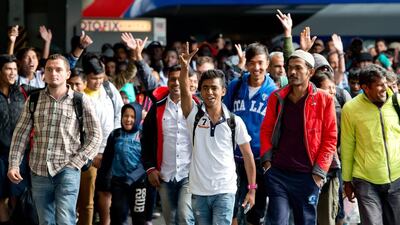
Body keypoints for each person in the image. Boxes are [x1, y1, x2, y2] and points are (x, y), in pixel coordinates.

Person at [7, 54, 102, 225]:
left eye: (58, 69)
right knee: (45, 221)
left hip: (67, 168)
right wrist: (14, 164)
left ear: (67, 73)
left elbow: (96, 134)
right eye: (49, 69)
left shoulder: (81, 100)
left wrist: (77, 162)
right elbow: (20, 134)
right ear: (44, 74)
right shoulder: (34, 100)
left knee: (65, 220)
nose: (53, 73)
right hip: (39, 170)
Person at [178, 45, 256, 225]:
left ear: (223, 91)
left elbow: (248, 156)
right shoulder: (193, 116)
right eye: (205, 88)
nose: (209, 92)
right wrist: (184, 67)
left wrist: (252, 189)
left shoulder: (235, 122)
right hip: (199, 191)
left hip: (225, 190)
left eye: (214, 88)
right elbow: (184, 91)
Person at [260, 50, 337, 225]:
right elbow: (266, 130)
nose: (292, 72)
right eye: (290, 68)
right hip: (278, 172)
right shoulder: (277, 97)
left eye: (298, 68)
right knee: (277, 221)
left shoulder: (325, 99)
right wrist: (267, 163)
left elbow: (330, 138)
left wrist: (319, 172)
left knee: (305, 221)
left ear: (310, 72)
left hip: (308, 175)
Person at [223, 43, 277, 225]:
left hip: (260, 160)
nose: (257, 68)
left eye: (260, 63)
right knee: (232, 208)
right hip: (234, 158)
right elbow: (224, 117)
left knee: (255, 212)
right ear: (246, 65)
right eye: (252, 63)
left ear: (268, 63)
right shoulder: (235, 86)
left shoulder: (274, 93)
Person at [341, 64, 400, 225]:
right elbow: (347, 146)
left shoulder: (397, 102)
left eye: (385, 83)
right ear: (365, 88)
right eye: (379, 85)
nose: (384, 88)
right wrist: (347, 181)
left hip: (397, 179)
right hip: (365, 181)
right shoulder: (351, 109)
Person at [141, 65, 196, 225]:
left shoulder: (198, 106)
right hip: (165, 175)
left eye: (180, 79)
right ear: (168, 81)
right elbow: (146, 140)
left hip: (189, 174)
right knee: (170, 220)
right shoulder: (157, 107)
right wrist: (150, 168)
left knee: (185, 217)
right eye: (173, 79)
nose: (177, 83)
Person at [81, 54, 123, 225]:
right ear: (85, 76)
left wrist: (114, 142)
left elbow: (119, 112)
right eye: (93, 78)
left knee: (107, 192)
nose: (97, 82)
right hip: (87, 154)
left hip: (109, 150)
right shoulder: (79, 93)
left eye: (100, 77)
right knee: (87, 199)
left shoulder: (108, 88)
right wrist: (92, 153)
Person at [97, 103, 147, 225]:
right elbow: (107, 160)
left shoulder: (143, 135)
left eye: (132, 116)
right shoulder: (115, 135)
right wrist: (102, 180)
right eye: (125, 116)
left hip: (139, 184)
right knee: (117, 214)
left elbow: (146, 162)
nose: (128, 119)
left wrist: (132, 178)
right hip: (118, 182)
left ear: (138, 118)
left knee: (139, 218)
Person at [0, 55, 28, 225]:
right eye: (8, 69)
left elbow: (50, 87)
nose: (13, 73)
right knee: (0, 197)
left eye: (15, 69)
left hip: (19, 155)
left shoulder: (23, 91)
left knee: (19, 195)